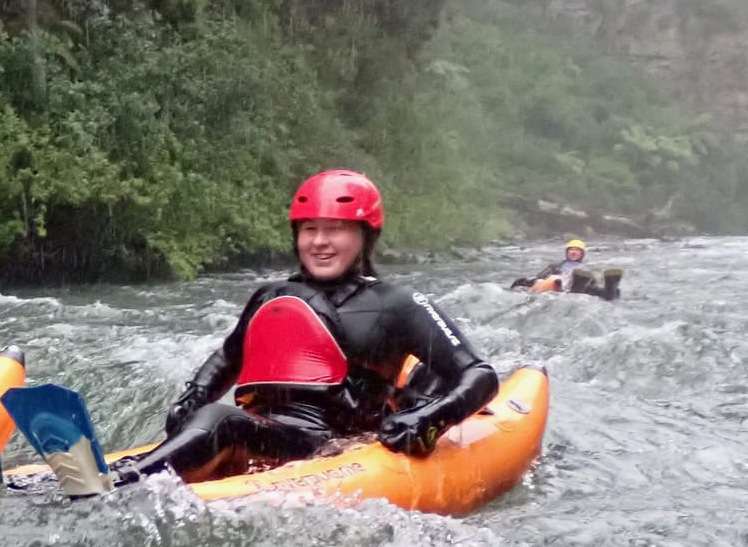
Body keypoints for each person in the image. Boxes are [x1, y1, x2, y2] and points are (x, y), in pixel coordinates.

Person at [117, 169, 498, 484]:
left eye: (335, 229)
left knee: (220, 421)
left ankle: (129, 482)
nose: (319, 242)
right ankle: (143, 470)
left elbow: (480, 375)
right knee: (214, 418)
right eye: (309, 229)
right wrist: (194, 396)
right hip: (269, 435)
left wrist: (430, 419)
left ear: (365, 236)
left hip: (336, 446)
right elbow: (228, 358)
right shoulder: (271, 297)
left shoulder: (397, 304)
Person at [511, 238, 621, 300]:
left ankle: (611, 286)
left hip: (582, 288)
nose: (574, 252)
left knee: (593, 286)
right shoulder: (554, 266)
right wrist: (525, 282)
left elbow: (594, 285)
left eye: (577, 250)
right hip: (559, 287)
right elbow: (539, 278)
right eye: (571, 250)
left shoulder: (587, 269)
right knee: (557, 280)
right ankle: (577, 283)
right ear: (567, 252)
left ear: (582, 254)